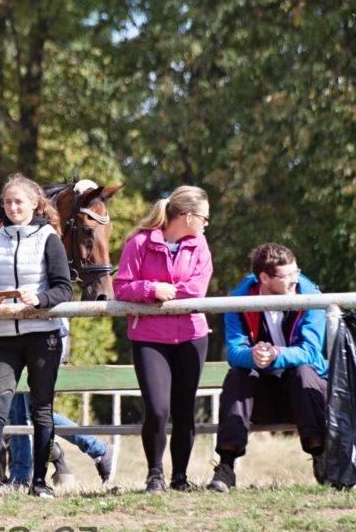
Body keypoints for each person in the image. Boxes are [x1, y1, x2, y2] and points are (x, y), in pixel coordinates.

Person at [0, 174, 73, 504]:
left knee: (42, 411)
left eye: (18, 201)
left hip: (43, 337)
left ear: (34, 203)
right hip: (4, 337)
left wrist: (41, 299)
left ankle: (40, 482)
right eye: (7, 202)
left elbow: (64, 288)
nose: (13, 207)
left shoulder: (49, 238)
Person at [0, 201, 114, 488]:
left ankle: (93, 449)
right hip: (20, 332)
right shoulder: (7, 245)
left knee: (31, 409)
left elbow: (57, 289)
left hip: (46, 332)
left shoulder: (44, 241)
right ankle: (26, 473)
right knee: (19, 409)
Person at [113, 185, 213, 493]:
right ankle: (154, 472)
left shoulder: (200, 245)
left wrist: (166, 292)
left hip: (191, 335)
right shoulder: (139, 243)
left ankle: (179, 476)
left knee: (184, 409)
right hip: (149, 337)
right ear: (187, 216)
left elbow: (197, 289)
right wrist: (151, 289)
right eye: (204, 218)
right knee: (157, 409)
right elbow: (121, 287)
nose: (206, 224)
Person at [208, 243, 328, 492]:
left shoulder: (313, 299)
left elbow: (310, 351)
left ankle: (322, 458)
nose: (295, 280)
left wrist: (275, 354)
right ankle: (226, 467)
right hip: (259, 400)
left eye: (296, 272)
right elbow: (234, 352)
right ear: (264, 278)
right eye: (286, 276)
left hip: (304, 398)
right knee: (238, 375)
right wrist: (254, 356)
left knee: (304, 371)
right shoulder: (237, 302)